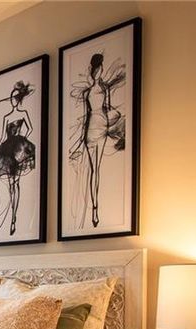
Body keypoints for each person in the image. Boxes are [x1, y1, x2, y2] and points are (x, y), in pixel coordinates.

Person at [69, 53, 126, 229]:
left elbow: (108, 109)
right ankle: (94, 209)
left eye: (100, 69)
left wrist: (113, 121)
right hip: (91, 128)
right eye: (96, 69)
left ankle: (95, 209)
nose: (98, 71)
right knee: (94, 169)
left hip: (102, 126)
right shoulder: (88, 92)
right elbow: (87, 115)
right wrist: (80, 140)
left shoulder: (105, 89)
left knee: (97, 170)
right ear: (93, 70)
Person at [0, 81, 36, 236]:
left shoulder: (22, 114)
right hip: (7, 150)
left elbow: (30, 128)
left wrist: (23, 142)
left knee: (15, 183)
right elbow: (3, 137)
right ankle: (12, 215)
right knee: (11, 183)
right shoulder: (6, 117)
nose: (13, 101)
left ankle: (14, 217)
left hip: (18, 149)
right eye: (11, 99)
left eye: (14, 98)